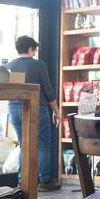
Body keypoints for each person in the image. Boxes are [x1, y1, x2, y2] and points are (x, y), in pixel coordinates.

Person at [6, 36, 60, 191]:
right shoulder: (39, 65)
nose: (34, 53)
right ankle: (45, 181)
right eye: (34, 50)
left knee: (24, 145)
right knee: (42, 143)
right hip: (37, 106)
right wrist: (56, 111)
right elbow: (48, 91)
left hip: (14, 107)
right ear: (30, 49)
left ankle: (22, 181)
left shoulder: (9, 66)